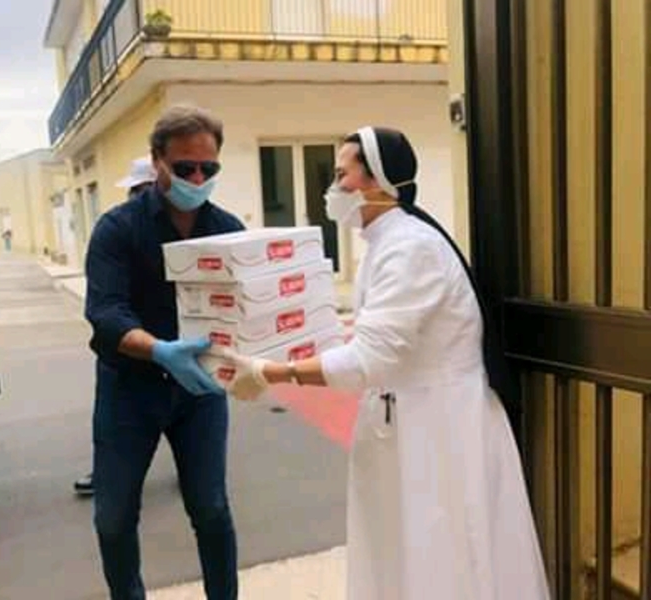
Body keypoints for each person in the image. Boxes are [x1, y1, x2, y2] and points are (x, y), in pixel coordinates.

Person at [215, 127, 551, 599]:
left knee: (446, 556)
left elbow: (367, 360)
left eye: (340, 175)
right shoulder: (388, 243)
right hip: (412, 421)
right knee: (406, 555)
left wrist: (273, 372)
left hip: (441, 430)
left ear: (377, 182)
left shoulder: (411, 248)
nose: (332, 190)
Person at [84, 104, 244, 600]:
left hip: (200, 392)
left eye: (208, 168)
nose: (198, 177)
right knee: (113, 517)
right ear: (157, 161)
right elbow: (106, 313)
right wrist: (160, 351)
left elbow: (248, 308)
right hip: (130, 390)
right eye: (185, 167)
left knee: (212, 509)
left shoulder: (229, 230)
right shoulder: (117, 229)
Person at [74, 156, 158, 498]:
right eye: (133, 191)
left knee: (189, 432)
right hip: (124, 354)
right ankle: (105, 472)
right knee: (111, 431)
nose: (136, 197)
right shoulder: (116, 229)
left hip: (177, 353)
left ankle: (193, 472)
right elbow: (104, 305)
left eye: (142, 190)